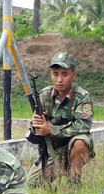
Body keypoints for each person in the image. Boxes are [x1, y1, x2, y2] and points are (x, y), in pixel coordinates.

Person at [27, 51, 94, 184]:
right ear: (51, 75)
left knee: (80, 141)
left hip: (74, 147)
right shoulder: (44, 95)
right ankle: (62, 168)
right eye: (55, 74)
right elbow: (34, 129)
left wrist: (51, 130)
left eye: (65, 74)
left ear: (73, 75)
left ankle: (73, 183)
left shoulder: (82, 97)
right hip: (54, 150)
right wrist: (36, 125)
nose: (59, 79)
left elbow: (83, 125)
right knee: (30, 183)